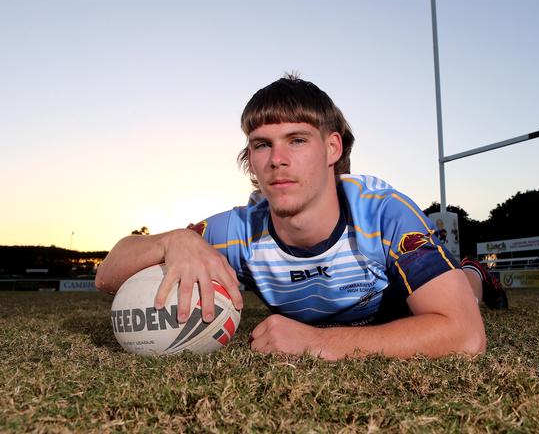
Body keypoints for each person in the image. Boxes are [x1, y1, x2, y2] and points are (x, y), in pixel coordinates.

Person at [96, 75, 507, 360]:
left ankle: (473, 272)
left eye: (297, 140)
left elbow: (465, 334)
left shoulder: (383, 212)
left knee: (462, 294)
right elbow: (108, 275)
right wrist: (172, 240)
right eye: (262, 145)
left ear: (332, 148)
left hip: (398, 311)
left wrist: (317, 343)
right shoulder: (240, 230)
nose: (277, 159)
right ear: (250, 160)